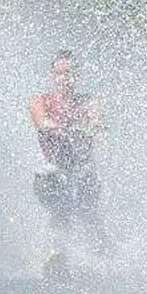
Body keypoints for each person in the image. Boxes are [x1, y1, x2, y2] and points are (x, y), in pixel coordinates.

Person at [29, 50, 108, 260]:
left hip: (83, 170)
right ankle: (54, 253)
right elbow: (42, 122)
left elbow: (97, 124)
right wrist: (58, 129)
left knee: (87, 213)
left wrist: (95, 131)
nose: (65, 78)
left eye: (70, 73)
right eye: (60, 74)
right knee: (61, 207)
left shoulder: (88, 102)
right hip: (52, 171)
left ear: (78, 76)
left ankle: (103, 257)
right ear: (53, 76)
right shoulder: (41, 101)